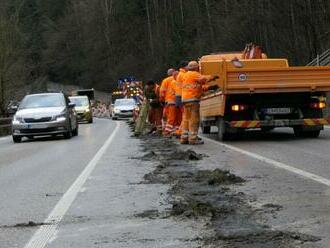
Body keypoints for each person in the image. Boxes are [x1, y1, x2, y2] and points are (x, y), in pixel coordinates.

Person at [180, 61, 218, 145]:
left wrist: (210, 88)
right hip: (192, 100)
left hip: (185, 100)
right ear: (196, 68)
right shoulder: (194, 74)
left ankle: (184, 137)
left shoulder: (186, 75)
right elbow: (203, 79)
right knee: (194, 119)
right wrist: (212, 77)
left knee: (186, 119)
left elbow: (197, 86)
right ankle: (193, 139)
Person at [173, 61, 188, 137]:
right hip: (182, 97)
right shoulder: (183, 75)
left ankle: (180, 131)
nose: (189, 67)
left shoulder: (180, 74)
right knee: (185, 116)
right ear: (184, 67)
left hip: (179, 97)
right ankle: (180, 132)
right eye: (188, 66)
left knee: (184, 116)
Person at [159, 69, 175, 136]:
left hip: (169, 102)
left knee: (169, 118)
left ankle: (167, 132)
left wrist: (162, 101)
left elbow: (162, 93)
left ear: (168, 74)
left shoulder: (165, 81)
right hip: (178, 100)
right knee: (177, 118)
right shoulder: (179, 77)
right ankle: (175, 131)